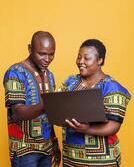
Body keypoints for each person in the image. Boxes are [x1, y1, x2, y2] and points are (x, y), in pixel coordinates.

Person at [59, 39, 131, 167]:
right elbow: (57, 109)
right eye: (79, 57)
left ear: (100, 60)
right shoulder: (70, 82)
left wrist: (87, 129)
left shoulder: (111, 87)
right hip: (71, 159)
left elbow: (114, 125)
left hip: (102, 161)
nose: (81, 62)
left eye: (87, 58)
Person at [3, 31, 61, 167]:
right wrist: (48, 103)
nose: (47, 59)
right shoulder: (15, 72)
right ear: (30, 49)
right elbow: (17, 113)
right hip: (24, 151)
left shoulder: (49, 75)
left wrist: (54, 142)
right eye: (42, 53)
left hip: (46, 149)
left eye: (51, 54)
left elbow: (50, 114)